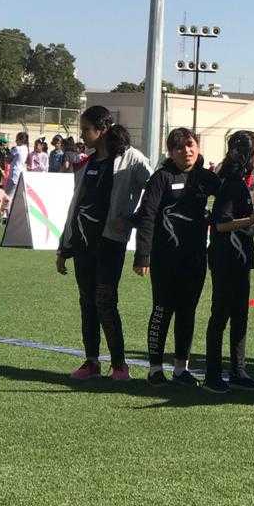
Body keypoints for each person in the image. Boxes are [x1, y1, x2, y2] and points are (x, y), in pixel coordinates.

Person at [56, 106, 152, 381]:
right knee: (87, 302)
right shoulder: (87, 162)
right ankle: (91, 362)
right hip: (82, 243)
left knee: (105, 301)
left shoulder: (131, 158)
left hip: (110, 243)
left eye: (86, 129)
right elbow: (76, 206)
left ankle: (119, 365)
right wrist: (65, 247)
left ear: (103, 129)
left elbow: (155, 189)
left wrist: (134, 218)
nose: (82, 135)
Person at [133, 127, 219, 388]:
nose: (187, 151)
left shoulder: (205, 178)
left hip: (195, 257)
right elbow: (146, 216)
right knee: (162, 310)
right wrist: (143, 255)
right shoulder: (162, 178)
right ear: (170, 152)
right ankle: (155, 368)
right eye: (180, 147)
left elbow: (229, 196)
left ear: (198, 147)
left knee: (187, 312)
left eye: (191, 145)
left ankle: (181, 369)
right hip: (164, 259)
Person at [204, 130, 254, 393]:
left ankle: (238, 371)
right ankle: (213, 374)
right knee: (221, 315)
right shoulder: (232, 183)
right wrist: (252, 219)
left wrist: (253, 225)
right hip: (227, 258)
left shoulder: (236, 180)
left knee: (239, 315)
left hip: (237, 257)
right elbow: (220, 223)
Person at [4, 132, 29, 204]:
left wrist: (6, 154)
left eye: (17, 139)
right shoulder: (26, 148)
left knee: (7, 197)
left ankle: (7, 211)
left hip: (14, 175)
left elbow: (8, 160)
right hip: (20, 174)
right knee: (15, 197)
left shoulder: (17, 148)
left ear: (21, 140)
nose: (16, 141)